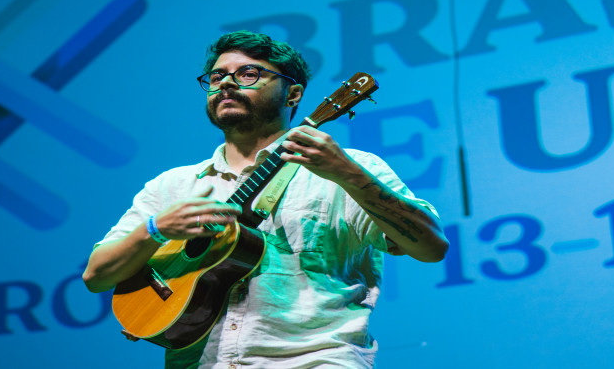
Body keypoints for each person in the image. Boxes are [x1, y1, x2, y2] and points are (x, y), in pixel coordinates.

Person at [83, 30, 448, 368]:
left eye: (248, 74)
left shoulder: (350, 167)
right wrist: (156, 229)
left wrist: (346, 173)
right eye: (216, 77)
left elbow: (432, 248)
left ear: (293, 94)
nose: (226, 82)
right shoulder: (173, 185)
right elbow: (96, 276)